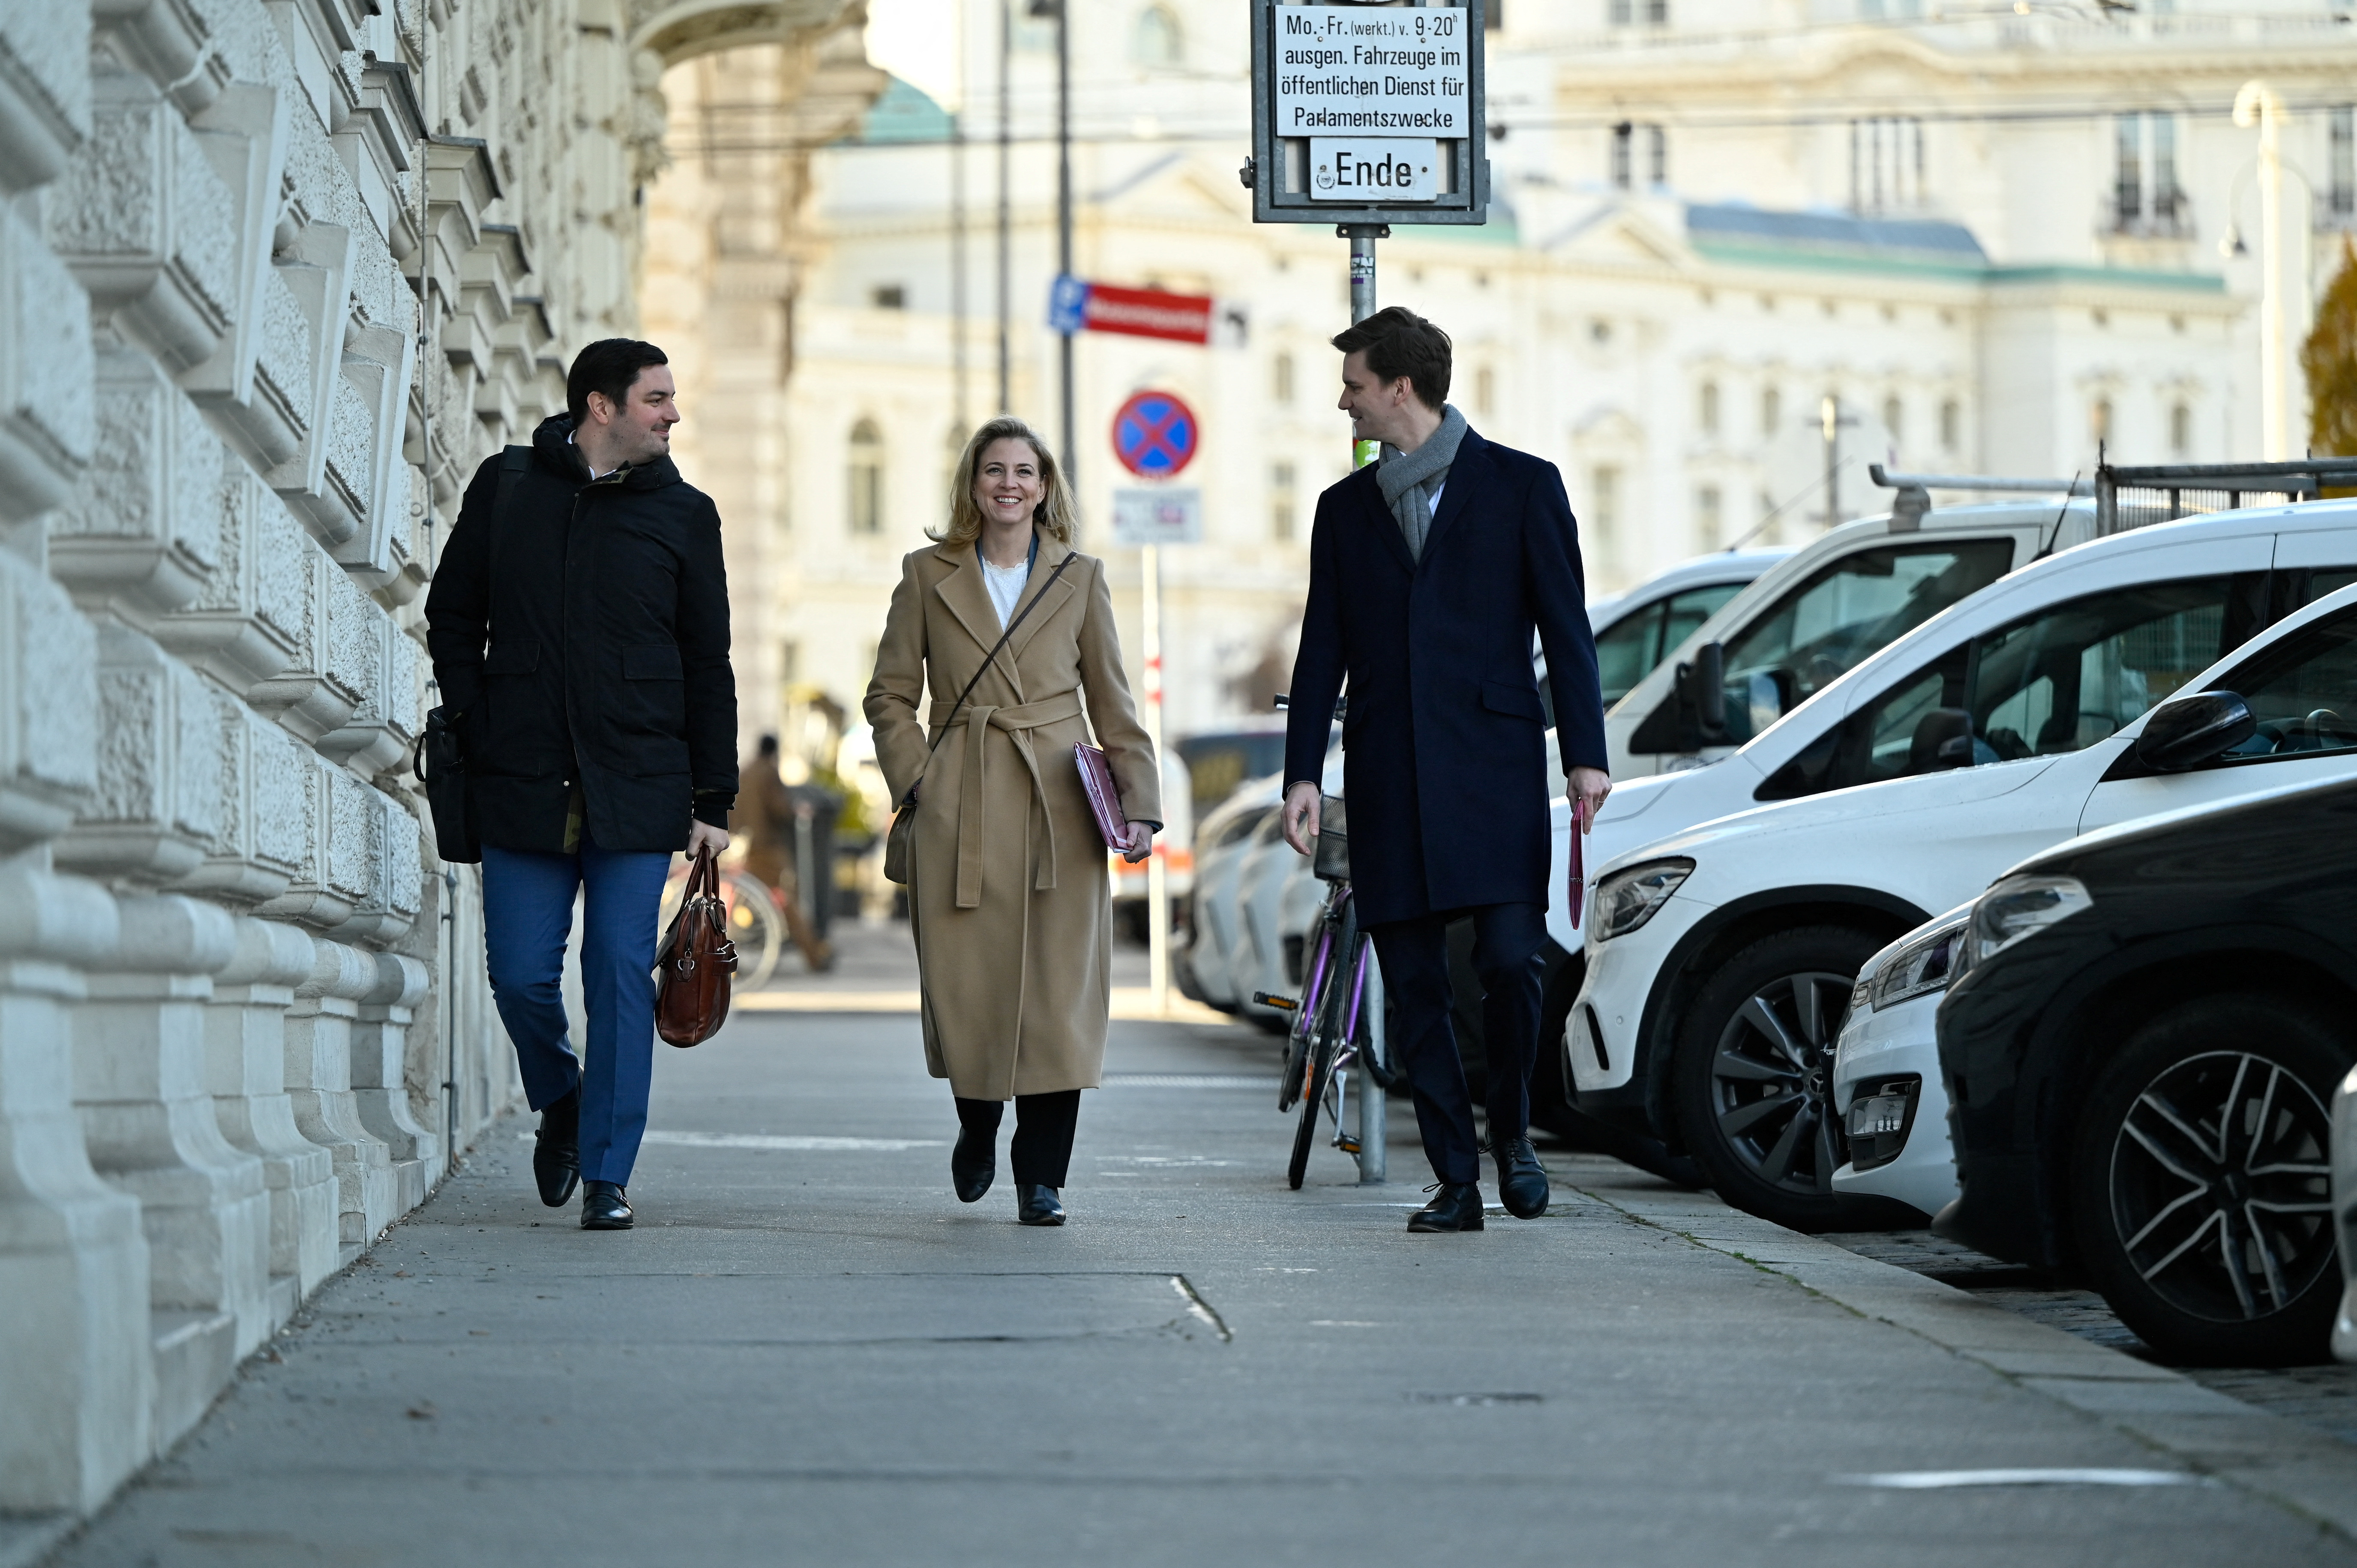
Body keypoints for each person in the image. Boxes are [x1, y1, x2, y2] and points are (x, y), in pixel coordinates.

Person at [1280, 306, 1611, 1233]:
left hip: (1493, 769)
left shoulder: (1522, 485)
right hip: (1389, 773)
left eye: (1353, 384)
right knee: (1416, 984)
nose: (1342, 401)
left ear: (1400, 387)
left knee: (1510, 960)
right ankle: (1455, 1179)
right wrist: (1301, 772)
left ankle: (1513, 1134)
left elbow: (1567, 630)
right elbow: (1321, 649)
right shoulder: (1342, 510)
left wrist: (1585, 755)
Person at [424, 338, 737, 1232]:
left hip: (637, 784)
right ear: (602, 406)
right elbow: (453, 612)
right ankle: (561, 1096)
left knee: (618, 974)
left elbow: (706, 662)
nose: (672, 413)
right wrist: (478, 717)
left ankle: (607, 1170)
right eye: (656, 399)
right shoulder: (508, 485)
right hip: (523, 776)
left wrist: (713, 800)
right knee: (521, 975)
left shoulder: (685, 514)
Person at [863, 417, 1159, 1226]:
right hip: (960, 804)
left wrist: (1140, 804)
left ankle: (1043, 1177)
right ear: (973, 482)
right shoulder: (926, 573)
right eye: (995, 470)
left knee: (1060, 996)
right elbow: (890, 694)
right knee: (968, 985)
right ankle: (978, 1119)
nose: (1009, 484)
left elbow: (1113, 700)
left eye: (1025, 471)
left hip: (1061, 807)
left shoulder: (1081, 576)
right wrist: (921, 778)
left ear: (1044, 486)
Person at [731, 734, 835, 972]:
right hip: (767, 847)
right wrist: (796, 810)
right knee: (788, 898)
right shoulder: (768, 772)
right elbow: (778, 806)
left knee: (744, 898)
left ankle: (726, 951)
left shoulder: (745, 772)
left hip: (746, 844)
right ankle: (814, 955)